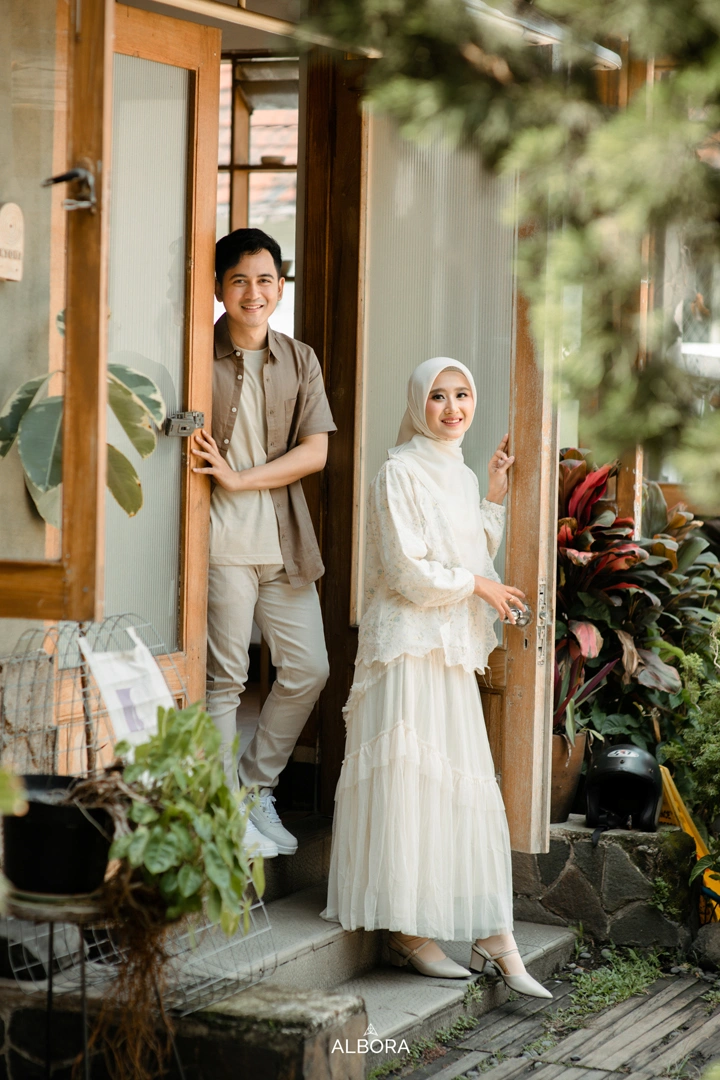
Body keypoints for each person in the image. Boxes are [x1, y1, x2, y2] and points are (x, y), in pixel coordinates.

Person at [322, 357, 551, 999]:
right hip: (405, 649)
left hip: (445, 650)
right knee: (409, 782)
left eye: (463, 394)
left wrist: (494, 496)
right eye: (438, 396)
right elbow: (407, 569)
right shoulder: (397, 471)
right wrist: (478, 585)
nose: (452, 409)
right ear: (417, 403)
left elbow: (468, 554)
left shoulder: (461, 472)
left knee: (455, 784)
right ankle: (408, 933)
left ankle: (492, 936)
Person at [192, 228, 335, 860]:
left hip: (282, 539)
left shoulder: (300, 359)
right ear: (219, 288)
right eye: (240, 280)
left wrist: (240, 477)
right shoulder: (196, 354)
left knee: (309, 668)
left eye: (265, 280)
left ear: (281, 286)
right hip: (222, 540)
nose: (254, 292)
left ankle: (253, 788)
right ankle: (220, 810)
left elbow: (316, 451)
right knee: (225, 679)